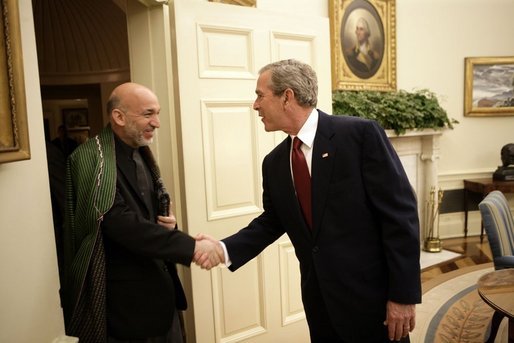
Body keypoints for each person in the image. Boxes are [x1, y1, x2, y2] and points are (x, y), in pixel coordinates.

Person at [196, 59, 421, 342]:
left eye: (260, 95)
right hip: (320, 302)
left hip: (372, 300)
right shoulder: (275, 162)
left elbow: (400, 217)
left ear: (287, 97)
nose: (255, 105)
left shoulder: (359, 135)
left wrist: (403, 295)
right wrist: (223, 248)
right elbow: (272, 221)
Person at [62, 82, 222, 342]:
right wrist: (190, 247)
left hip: (162, 298)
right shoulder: (91, 159)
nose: (157, 123)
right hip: (127, 312)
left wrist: (169, 226)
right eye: (148, 114)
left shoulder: (140, 153)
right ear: (119, 117)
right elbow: (117, 222)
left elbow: (145, 215)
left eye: (157, 113)